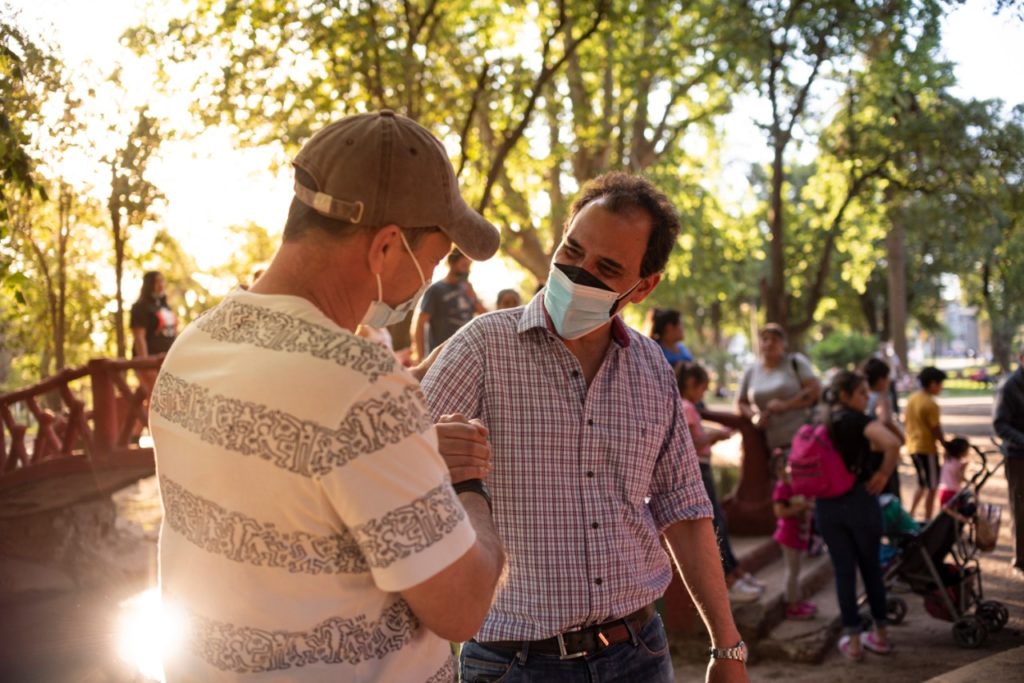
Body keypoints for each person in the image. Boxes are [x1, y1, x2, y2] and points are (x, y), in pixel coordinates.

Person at [149, 110, 506, 682]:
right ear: (387, 246)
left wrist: (409, 449)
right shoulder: (361, 384)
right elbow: (461, 607)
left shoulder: (199, 343)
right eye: (434, 261)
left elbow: (296, 481)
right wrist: (466, 490)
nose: (427, 281)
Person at [421, 172, 749, 682]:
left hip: (639, 654)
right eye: (572, 251)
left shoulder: (652, 369)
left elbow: (684, 509)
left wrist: (726, 647)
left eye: (607, 267)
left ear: (643, 287)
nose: (578, 273)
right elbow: (395, 479)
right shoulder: (480, 349)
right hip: (515, 663)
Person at [815, 371, 901, 661]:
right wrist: (883, 474)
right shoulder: (859, 421)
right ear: (845, 395)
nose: (867, 398)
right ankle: (881, 637)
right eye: (862, 393)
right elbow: (892, 443)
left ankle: (853, 644)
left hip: (827, 506)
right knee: (871, 571)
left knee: (844, 574)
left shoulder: (821, 420)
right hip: (860, 501)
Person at [678, 362, 762, 605]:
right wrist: (717, 435)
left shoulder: (688, 407)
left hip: (703, 467)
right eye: (702, 389)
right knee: (716, 524)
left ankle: (735, 572)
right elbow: (690, 443)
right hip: (699, 469)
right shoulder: (686, 407)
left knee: (720, 521)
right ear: (692, 385)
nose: (703, 395)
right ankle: (729, 580)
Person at [737, 323, 821, 459]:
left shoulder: (795, 362)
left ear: (784, 344)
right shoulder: (751, 371)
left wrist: (786, 405)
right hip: (771, 444)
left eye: (775, 339)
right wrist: (754, 417)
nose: (770, 343)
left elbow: (815, 389)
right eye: (765, 339)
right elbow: (741, 402)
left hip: (803, 437)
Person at [414, 248, 486, 361]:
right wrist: (420, 358)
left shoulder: (468, 290)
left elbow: (486, 317)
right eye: (464, 265)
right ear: (452, 263)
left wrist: (473, 297)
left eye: (469, 266)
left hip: (465, 357)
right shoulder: (435, 290)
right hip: (439, 358)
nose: (467, 271)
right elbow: (419, 324)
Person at [771, 455, 817, 620]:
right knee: (793, 571)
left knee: (797, 571)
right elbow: (780, 512)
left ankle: (797, 600)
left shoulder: (798, 486)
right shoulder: (782, 488)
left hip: (799, 536)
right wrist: (802, 507)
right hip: (788, 536)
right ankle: (792, 606)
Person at [993, 345, 1024, 578]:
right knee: (1020, 506)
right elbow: (1000, 424)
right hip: (1018, 457)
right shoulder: (1009, 386)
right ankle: (1021, 558)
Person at [905, 366, 948, 521]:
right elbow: (936, 428)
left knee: (922, 483)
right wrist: (945, 446)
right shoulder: (930, 404)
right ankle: (928, 519)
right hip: (926, 448)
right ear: (932, 384)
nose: (941, 387)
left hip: (912, 446)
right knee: (932, 486)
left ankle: (910, 514)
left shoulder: (912, 398)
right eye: (940, 384)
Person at [862, 357, 905, 498]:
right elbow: (885, 420)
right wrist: (899, 436)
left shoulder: (862, 397)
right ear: (881, 380)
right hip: (881, 452)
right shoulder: (881, 397)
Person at [130, 270, 178, 359]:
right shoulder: (140, 307)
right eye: (157, 281)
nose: (161, 285)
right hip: (151, 361)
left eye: (162, 281)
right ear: (149, 284)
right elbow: (139, 337)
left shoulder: (166, 307)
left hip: (169, 359)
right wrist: (145, 364)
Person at [938, 437, 969, 508]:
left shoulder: (947, 460)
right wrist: (963, 469)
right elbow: (959, 479)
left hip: (942, 491)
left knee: (944, 513)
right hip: (952, 492)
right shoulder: (958, 464)